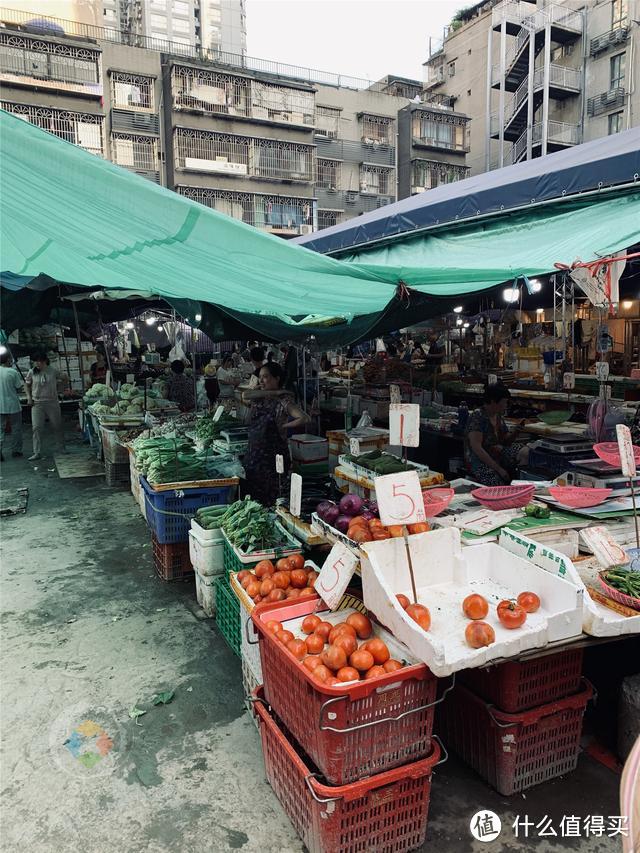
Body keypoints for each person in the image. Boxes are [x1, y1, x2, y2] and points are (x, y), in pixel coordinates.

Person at [242, 362, 310, 506]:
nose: (261, 381)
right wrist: (273, 392)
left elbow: (304, 417)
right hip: (253, 456)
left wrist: (285, 425)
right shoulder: (259, 396)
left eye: (265, 377)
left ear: (277, 378)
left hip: (273, 459)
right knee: (253, 500)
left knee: (272, 498)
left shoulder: (283, 400)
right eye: (260, 377)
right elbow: (245, 394)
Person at [464, 383, 529, 485]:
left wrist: (516, 432)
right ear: (494, 401)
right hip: (480, 460)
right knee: (497, 484)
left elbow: (506, 441)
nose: (506, 405)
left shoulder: (497, 416)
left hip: (497, 452)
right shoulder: (478, 416)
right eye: (504, 402)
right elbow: (477, 448)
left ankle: (522, 483)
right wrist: (499, 469)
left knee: (525, 452)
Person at [25, 352, 66, 460]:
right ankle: (37, 452)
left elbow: (65, 377)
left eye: (39, 361)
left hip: (52, 402)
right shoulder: (32, 372)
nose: (37, 364)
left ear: (44, 361)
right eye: (36, 362)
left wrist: (61, 390)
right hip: (37, 403)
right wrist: (29, 397)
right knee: (37, 427)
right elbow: (27, 385)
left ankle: (61, 448)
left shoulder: (52, 371)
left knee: (57, 425)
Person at [0, 351, 24, 460]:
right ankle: (16, 451)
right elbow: (19, 387)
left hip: (0, 406)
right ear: (8, 360)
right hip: (13, 405)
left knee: (0, 429)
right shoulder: (12, 372)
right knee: (16, 429)